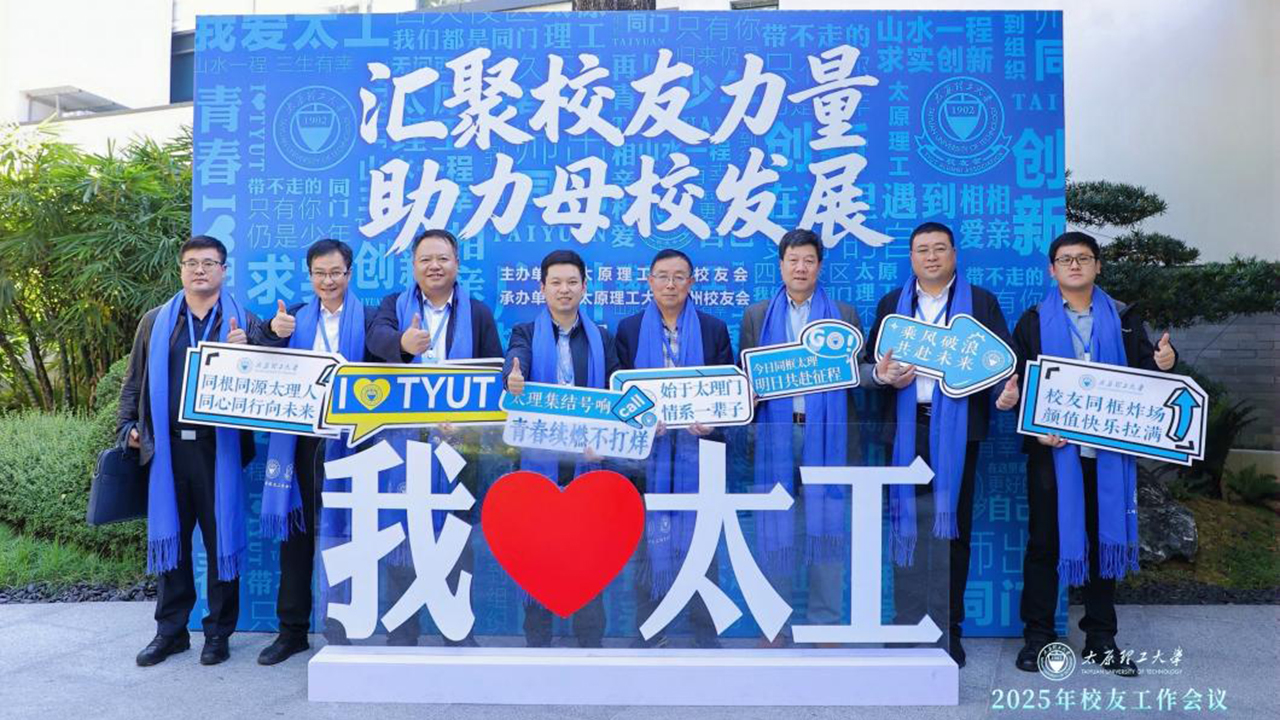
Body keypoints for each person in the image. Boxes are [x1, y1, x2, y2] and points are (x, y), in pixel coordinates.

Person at [1005, 231, 1177, 677]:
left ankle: (1101, 639)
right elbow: (1020, 384)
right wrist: (1032, 424)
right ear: (1053, 269)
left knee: (1105, 543)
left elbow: (1147, 377)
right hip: (1053, 453)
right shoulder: (1033, 321)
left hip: (1109, 455)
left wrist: (1164, 363)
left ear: (1098, 266)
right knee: (1044, 544)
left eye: (1083, 258)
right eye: (1066, 259)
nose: (1075, 265)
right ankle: (1039, 637)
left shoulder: (1123, 318)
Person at [859, 221, 1018, 668]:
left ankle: (949, 629)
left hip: (958, 433)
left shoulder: (980, 303)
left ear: (954, 254)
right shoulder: (892, 304)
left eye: (939, 249)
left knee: (952, 531)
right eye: (922, 250)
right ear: (911, 258)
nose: (931, 257)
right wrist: (883, 376)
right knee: (906, 527)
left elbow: (1001, 365)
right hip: (906, 430)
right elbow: (872, 363)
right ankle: (907, 624)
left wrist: (1006, 394)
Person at [118, 235, 273, 666]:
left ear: (223, 270)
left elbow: (269, 383)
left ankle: (218, 633)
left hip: (218, 451)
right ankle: (170, 633)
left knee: (222, 541)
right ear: (181, 270)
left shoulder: (243, 322)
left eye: (208, 262)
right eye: (191, 263)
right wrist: (128, 426)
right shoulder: (156, 322)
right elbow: (133, 381)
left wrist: (252, 352)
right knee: (172, 542)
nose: (199, 270)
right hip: (167, 453)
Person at [366, 228, 503, 646]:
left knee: (457, 539)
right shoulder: (394, 306)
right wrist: (403, 343)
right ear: (413, 266)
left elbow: (493, 371)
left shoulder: (477, 313)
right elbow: (375, 341)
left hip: (459, 445)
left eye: (443, 258)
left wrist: (467, 421)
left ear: (457, 264)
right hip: (404, 444)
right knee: (403, 532)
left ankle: (457, 630)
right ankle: (402, 632)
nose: (434, 266)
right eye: (425, 259)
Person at [738, 228, 869, 641]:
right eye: (793, 260)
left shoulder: (843, 315)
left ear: (819, 266)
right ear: (781, 265)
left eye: (808, 260)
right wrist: (747, 391)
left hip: (827, 437)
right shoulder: (757, 315)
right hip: (774, 438)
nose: (800, 268)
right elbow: (745, 377)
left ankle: (825, 625)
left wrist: (881, 374)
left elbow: (859, 372)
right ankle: (773, 626)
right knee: (774, 531)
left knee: (827, 529)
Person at [251, 238, 375, 665]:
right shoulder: (293, 318)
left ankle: (344, 628)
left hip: (354, 442)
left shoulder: (369, 319)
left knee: (348, 536)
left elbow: (390, 357)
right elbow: (258, 354)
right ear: (310, 276)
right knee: (297, 536)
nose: (328, 280)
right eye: (320, 273)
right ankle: (292, 632)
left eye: (335, 272)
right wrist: (272, 333)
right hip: (300, 445)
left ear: (349, 274)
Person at [615, 249, 733, 648]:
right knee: (650, 543)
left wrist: (713, 420)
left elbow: (726, 391)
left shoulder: (714, 329)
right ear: (649, 282)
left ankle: (705, 632)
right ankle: (649, 631)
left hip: (699, 457)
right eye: (662, 276)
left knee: (703, 543)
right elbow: (619, 392)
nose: (670, 284)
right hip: (648, 461)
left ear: (691, 283)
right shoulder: (629, 329)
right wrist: (643, 421)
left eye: (679, 276)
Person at [502, 249, 621, 647]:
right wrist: (513, 376)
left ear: (585, 287)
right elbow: (515, 361)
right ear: (542, 288)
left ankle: (590, 644)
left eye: (572, 282)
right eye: (555, 282)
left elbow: (616, 394)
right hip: (541, 463)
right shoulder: (524, 332)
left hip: (589, 464)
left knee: (588, 558)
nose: (564, 289)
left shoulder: (602, 337)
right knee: (539, 554)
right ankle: (537, 643)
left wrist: (607, 441)